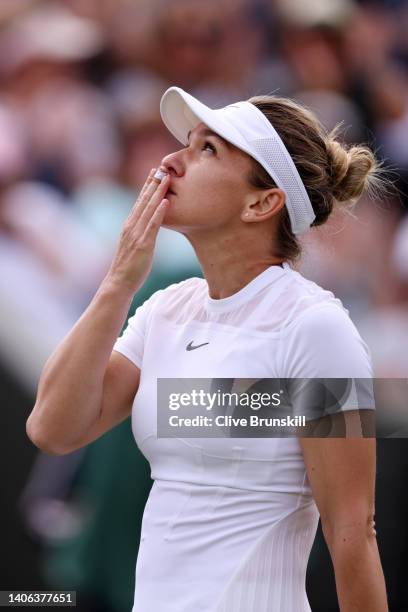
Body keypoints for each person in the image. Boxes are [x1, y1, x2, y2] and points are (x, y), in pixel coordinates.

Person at [27, 86, 389, 611]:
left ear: (262, 202)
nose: (171, 162)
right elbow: (52, 428)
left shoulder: (316, 329)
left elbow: (353, 535)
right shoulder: (166, 309)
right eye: (187, 143)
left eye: (207, 150)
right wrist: (118, 281)